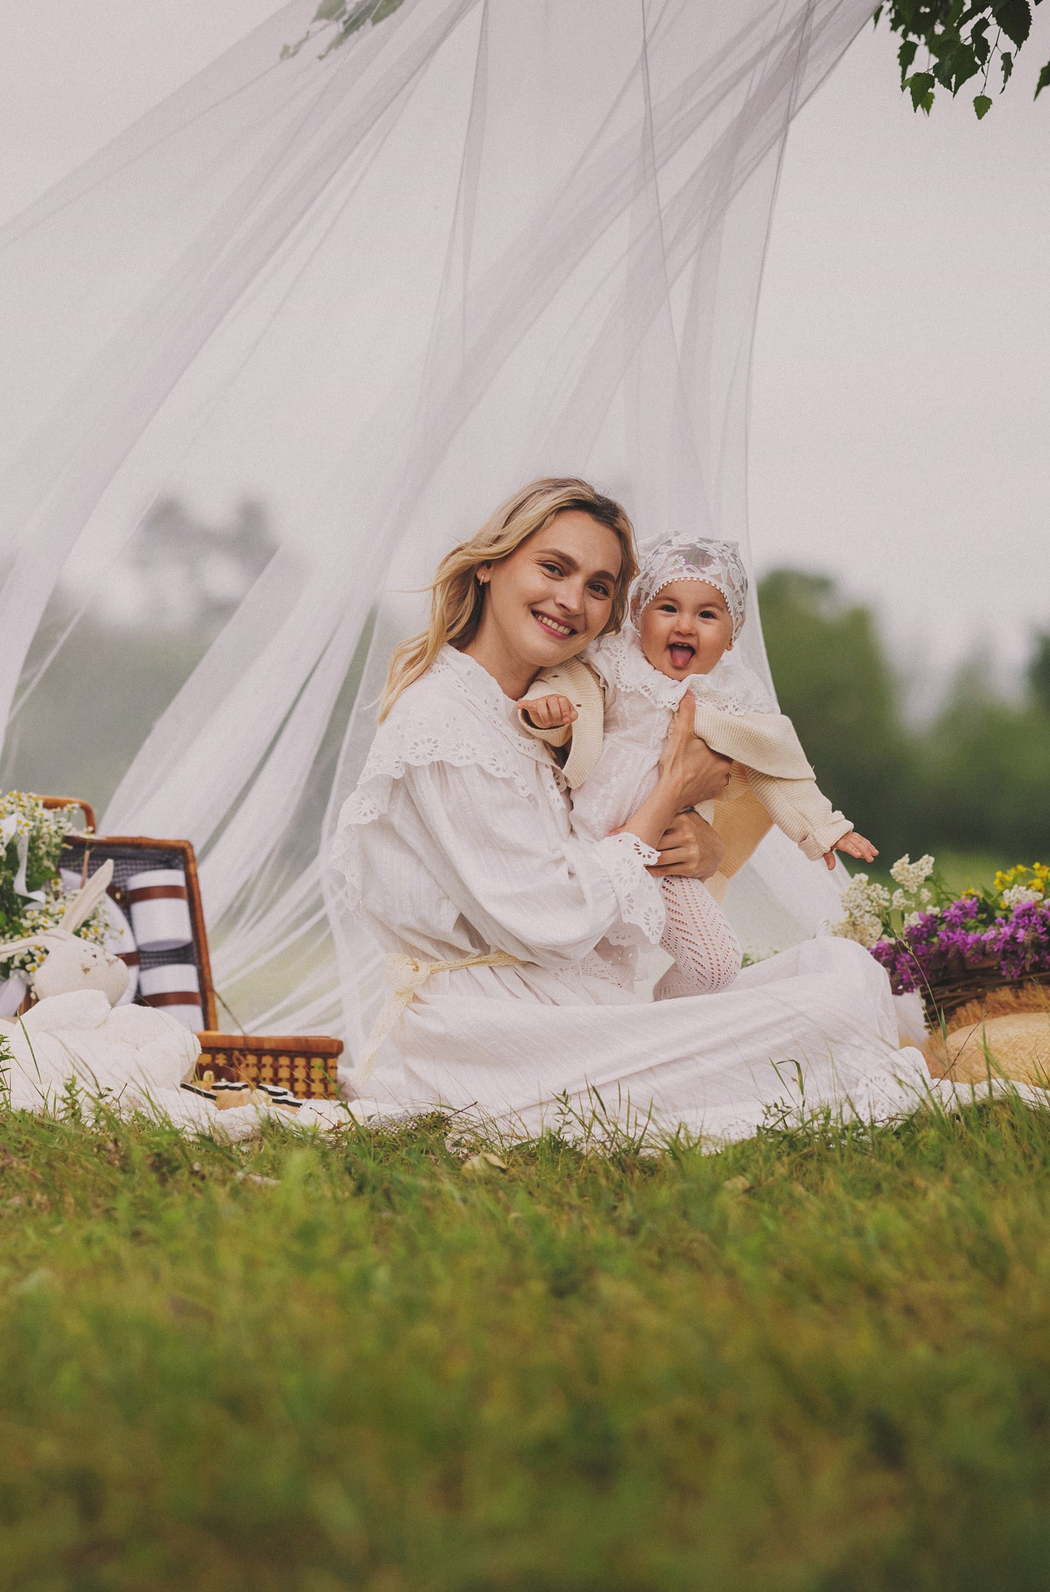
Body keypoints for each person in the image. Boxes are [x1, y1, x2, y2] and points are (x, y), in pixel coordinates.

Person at [324, 477, 950, 1141]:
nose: (572, 600)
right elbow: (551, 919)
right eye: (553, 567)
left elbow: (599, 845)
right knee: (832, 1008)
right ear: (488, 566)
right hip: (490, 1038)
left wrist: (698, 845)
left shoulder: (555, 710)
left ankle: (684, 1037)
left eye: (599, 586)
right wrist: (668, 797)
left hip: (571, 1006)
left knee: (843, 971)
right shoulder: (442, 725)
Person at [513, 531, 879, 999]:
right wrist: (548, 709)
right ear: (638, 616)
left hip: (664, 854)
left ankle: (667, 1018)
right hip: (579, 838)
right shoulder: (616, 664)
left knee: (715, 964)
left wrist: (824, 827)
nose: (685, 626)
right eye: (668, 608)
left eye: (707, 615)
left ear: (731, 636)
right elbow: (570, 687)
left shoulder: (731, 696)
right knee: (576, 957)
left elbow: (776, 765)